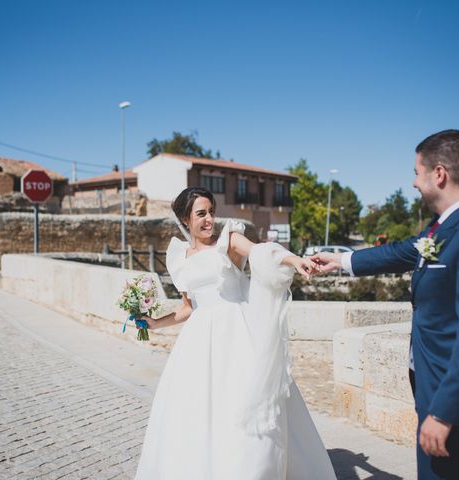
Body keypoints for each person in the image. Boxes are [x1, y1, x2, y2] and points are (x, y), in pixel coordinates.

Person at [313, 130, 459, 480]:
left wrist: (444, 413)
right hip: (433, 389)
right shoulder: (444, 227)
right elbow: (402, 251)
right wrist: (341, 262)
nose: (413, 182)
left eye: (417, 172)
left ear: (439, 174)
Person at [134, 187, 336, 480]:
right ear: (185, 219)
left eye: (211, 211)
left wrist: (295, 261)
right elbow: (188, 308)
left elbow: (262, 251)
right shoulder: (179, 257)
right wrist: (154, 323)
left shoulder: (228, 240)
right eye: (201, 214)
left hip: (239, 334)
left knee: (249, 406)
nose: (209, 220)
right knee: (198, 413)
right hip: (199, 343)